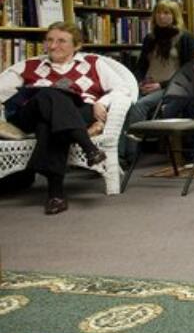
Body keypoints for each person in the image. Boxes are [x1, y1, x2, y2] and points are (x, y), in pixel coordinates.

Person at [0, 23, 134, 215]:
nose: (53, 46)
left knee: (48, 123)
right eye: (49, 40)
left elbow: (123, 88)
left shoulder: (93, 64)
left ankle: (55, 194)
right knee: (49, 94)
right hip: (30, 114)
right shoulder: (29, 66)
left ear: (77, 46)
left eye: (61, 41)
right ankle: (88, 146)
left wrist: (103, 102)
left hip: (77, 112)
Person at [123, 0, 194, 165]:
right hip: (147, 84)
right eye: (158, 12)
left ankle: (130, 156)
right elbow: (142, 65)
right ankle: (117, 154)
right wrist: (136, 83)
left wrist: (161, 85)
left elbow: (188, 70)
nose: (161, 16)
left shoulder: (186, 38)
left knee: (140, 106)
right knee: (122, 103)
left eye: (166, 13)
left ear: (174, 16)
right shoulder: (150, 38)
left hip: (173, 86)